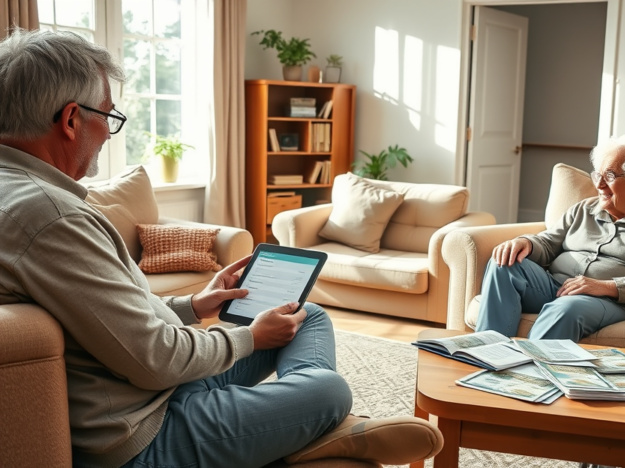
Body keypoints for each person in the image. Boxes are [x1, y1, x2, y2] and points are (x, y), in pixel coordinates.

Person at [0, 29, 441, 468]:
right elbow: (155, 359)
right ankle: (319, 429)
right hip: (143, 432)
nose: (110, 133)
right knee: (329, 391)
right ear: (71, 119)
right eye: (109, 117)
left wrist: (194, 304)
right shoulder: (51, 216)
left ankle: (296, 424)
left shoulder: (23, 195)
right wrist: (251, 337)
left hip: (155, 391)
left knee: (305, 314)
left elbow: (110, 316)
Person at [475, 134, 625, 342]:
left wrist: (604, 286)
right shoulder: (583, 209)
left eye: (610, 176)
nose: (599, 185)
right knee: (503, 262)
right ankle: (488, 353)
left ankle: (530, 378)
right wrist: (525, 243)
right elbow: (548, 242)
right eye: (598, 174)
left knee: (565, 308)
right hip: (554, 285)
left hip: (606, 301)